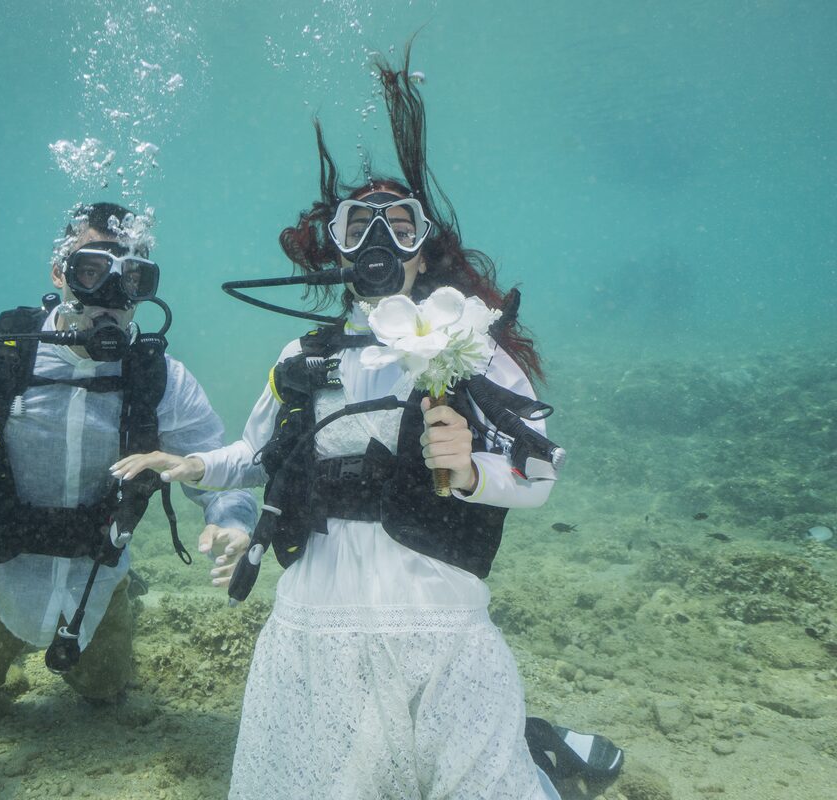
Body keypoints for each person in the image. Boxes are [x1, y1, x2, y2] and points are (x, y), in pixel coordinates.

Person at [112, 48, 606, 799]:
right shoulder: (303, 354)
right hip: (314, 621)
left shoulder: (470, 347)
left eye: (399, 226)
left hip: (440, 622)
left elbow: (540, 473)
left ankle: (536, 758)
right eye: (358, 226)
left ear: (421, 251)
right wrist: (194, 467)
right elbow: (259, 450)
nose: (378, 243)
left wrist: (472, 471)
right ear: (335, 245)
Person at [0, 201, 257, 718]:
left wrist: (230, 520)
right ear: (59, 272)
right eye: (91, 271)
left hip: (97, 584)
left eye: (130, 278)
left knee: (106, 692)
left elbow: (218, 467)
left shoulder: (161, 380)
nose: (109, 299)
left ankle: (95, 641)